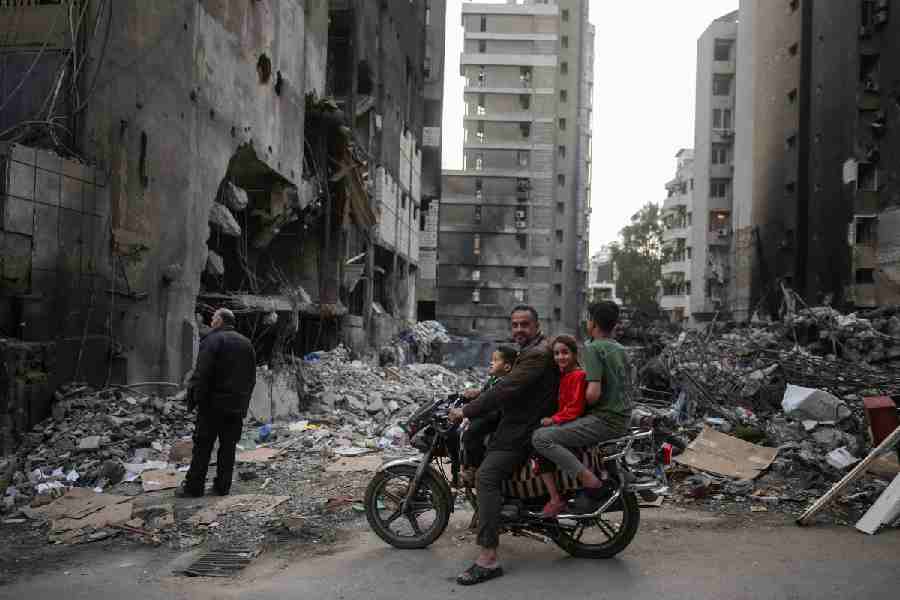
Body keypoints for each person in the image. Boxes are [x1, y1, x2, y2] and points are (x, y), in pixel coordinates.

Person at [448, 306, 559, 586]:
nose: (519, 330)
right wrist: (478, 396)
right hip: (520, 420)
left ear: (537, 326)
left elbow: (506, 388)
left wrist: (468, 411)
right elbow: (504, 385)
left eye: (524, 325)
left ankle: (488, 558)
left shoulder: (537, 354)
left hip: (523, 428)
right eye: (515, 325)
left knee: (486, 477)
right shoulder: (530, 350)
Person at [531, 301, 632, 514]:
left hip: (605, 419)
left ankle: (591, 483)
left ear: (592, 323)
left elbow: (593, 394)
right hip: (623, 417)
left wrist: (579, 399)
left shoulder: (594, 348)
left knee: (541, 438)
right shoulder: (620, 349)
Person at [178, 308, 257, 498]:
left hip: (212, 406)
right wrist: (243, 405)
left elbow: (202, 374)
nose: (211, 321)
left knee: (203, 447)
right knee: (228, 448)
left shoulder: (212, 340)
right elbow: (251, 378)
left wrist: (195, 400)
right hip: (235, 407)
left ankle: (194, 487)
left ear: (220, 321)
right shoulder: (247, 344)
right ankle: (222, 487)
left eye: (213, 318)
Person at [534, 335, 587, 518]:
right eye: (556, 353)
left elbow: (575, 408)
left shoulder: (578, 376)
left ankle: (555, 498)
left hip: (571, 424)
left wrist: (553, 420)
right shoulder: (565, 375)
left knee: (539, 445)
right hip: (565, 421)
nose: (560, 357)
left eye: (565, 353)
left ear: (574, 354)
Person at [458, 345, 518, 485]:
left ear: (507, 367)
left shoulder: (504, 382)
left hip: (495, 416)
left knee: (471, 432)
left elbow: (489, 402)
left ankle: (474, 468)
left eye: (495, 360)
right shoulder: (493, 380)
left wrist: (469, 411)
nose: (491, 362)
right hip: (488, 412)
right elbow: (484, 395)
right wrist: (476, 393)